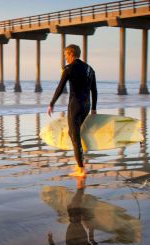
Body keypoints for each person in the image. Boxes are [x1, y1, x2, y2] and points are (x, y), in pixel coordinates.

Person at [47, 44, 98, 177]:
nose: (65, 59)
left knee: (75, 136)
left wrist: (51, 103)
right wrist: (93, 108)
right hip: (86, 105)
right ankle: (80, 161)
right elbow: (94, 90)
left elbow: (60, 88)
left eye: (66, 56)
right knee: (73, 133)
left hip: (75, 105)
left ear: (71, 53)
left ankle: (80, 169)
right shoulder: (90, 69)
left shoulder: (69, 68)